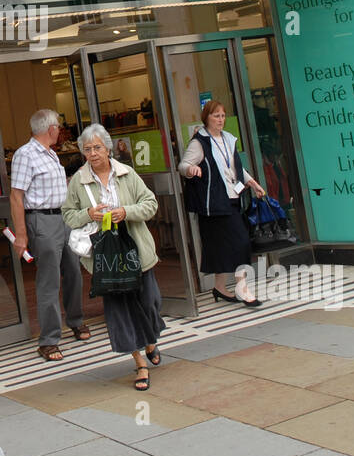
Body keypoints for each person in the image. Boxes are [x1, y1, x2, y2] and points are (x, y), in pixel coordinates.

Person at [64, 124, 165, 391]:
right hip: (105, 256)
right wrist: (89, 213)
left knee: (150, 301)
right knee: (120, 311)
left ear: (108, 148)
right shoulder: (78, 181)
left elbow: (150, 203)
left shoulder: (127, 174)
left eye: (97, 148)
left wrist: (126, 211)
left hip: (135, 249)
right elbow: (68, 215)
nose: (93, 154)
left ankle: (151, 340)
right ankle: (139, 362)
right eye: (87, 149)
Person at [10, 108, 88, 362]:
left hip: (63, 217)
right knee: (49, 279)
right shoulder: (26, 154)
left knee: (74, 271)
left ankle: (76, 320)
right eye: (57, 126)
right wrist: (21, 235)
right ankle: (49, 339)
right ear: (49, 128)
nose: (60, 130)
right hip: (42, 220)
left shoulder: (51, 154)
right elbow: (16, 196)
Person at [178, 100, 267, 306]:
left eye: (223, 115)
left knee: (222, 247)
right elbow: (183, 165)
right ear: (206, 118)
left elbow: (236, 167)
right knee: (240, 242)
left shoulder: (228, 139)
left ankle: (219, 287)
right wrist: (192, 170)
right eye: (216, 116)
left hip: (233, 199)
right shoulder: (200, 142)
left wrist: (253, 183)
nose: (220, 120)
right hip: (215, 203)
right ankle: (242, 289)